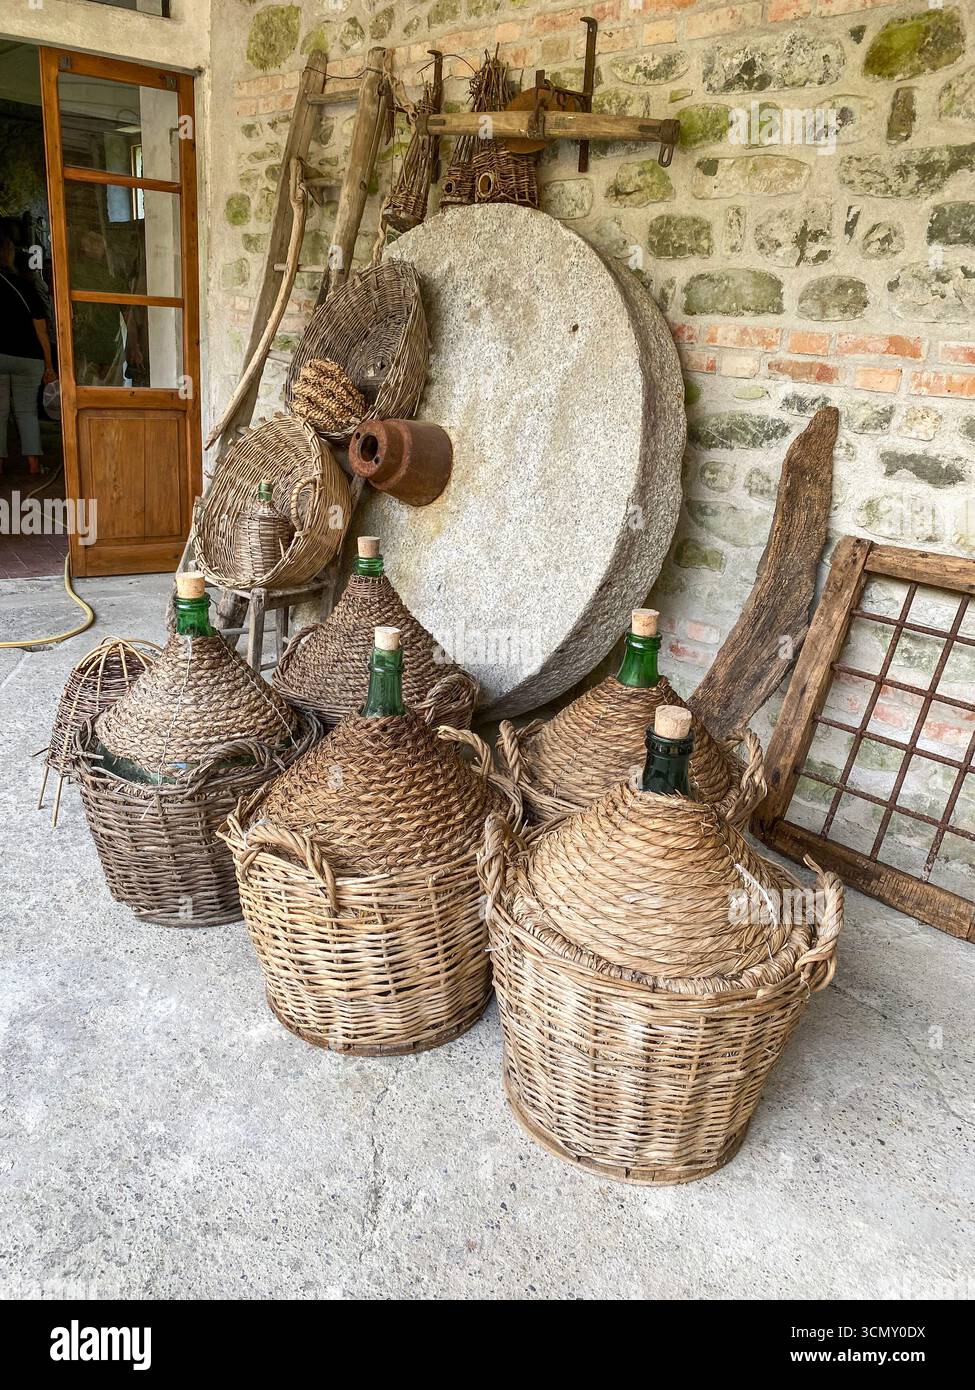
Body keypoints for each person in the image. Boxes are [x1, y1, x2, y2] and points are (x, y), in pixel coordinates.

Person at [0, 234, 56, 476]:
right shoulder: (25, 286)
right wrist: (49, 365)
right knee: (26, 412)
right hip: (29, 357)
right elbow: (41, 330)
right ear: (8, 254)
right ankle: (33, 464)